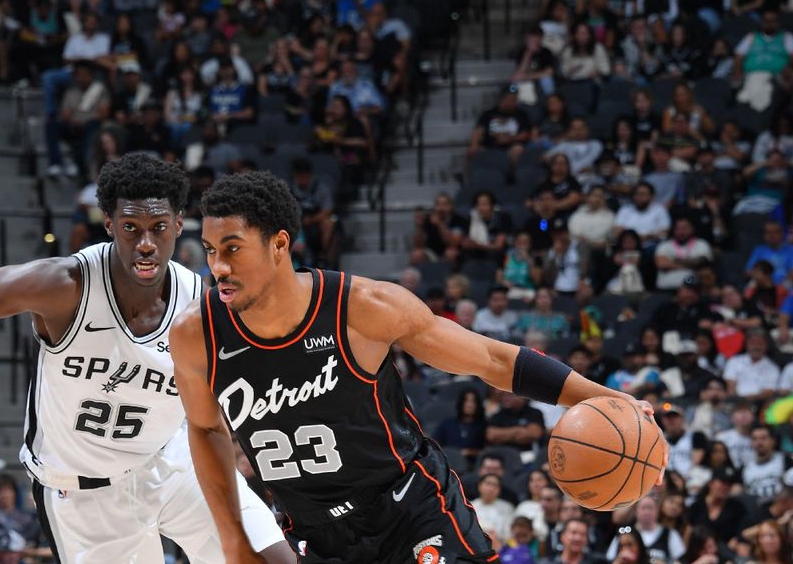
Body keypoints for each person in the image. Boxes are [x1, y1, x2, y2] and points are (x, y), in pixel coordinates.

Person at [169, 171, 668, 563]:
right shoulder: (197, 334)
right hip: (313, 530)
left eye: (232, 249)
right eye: (212, 252)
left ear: (279, 244)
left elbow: (492, 359)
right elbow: (206, 428)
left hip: (409, 509)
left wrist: (607, 397)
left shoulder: (362, 307)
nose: (219, 267)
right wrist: (233, 541)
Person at [0, 156, 291, 562]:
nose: (146, 243)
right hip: (84, 493)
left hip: (173, 463)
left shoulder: (200, 302)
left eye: (158, 228)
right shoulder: (65, 287)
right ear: (110, 225)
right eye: (131, 228)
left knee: (275, 558)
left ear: (179, 224)